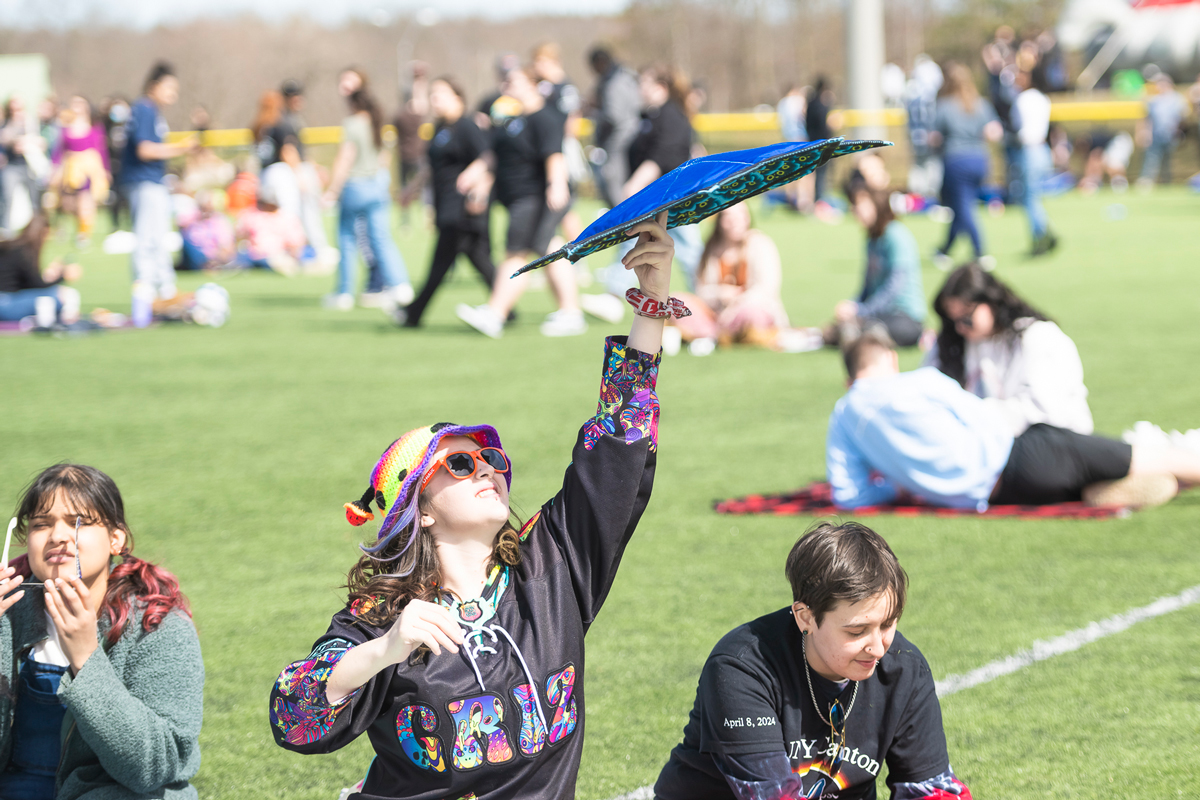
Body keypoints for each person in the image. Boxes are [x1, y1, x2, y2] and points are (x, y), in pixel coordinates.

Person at [269, 213, 674, 799]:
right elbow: (294, 719)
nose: (486, 466)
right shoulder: (382, 618)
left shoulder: (550, 566)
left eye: (493, 460)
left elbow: (616, 447)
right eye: (459, 464)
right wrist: (384, 651)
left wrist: (650, 302)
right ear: (420, 509)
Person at [655, 521, 973, 800]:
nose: (878, 648)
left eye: (888, 624)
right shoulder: (742, 669)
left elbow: (933, 790)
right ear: (805, 616)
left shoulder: (905, 669)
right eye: (857, 631)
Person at [0, 463, 203, 799]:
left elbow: (155, 767)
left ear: (115, 539)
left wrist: (85, 657)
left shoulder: (158, 626)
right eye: (41, 524)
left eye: (78, 522)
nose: (58, 536)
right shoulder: (8, 611)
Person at [827, 330, 1200, 511]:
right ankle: (1146, 469)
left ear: (849, 380)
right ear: (890, 361)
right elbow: (986, 420)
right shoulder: (922, 381)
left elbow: (849, 495)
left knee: (1089, 476)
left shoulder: (843, 416)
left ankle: (1105, 488)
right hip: (1023, 457)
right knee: (1155, 456)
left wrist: (898, 487)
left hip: (999, 495)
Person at [454, 66, 585, 338]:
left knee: (516, 252)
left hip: (535, 197)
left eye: (513, 80)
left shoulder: (544, 118)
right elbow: (494, 156)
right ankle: (570, 312)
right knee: (548, 250)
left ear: (533, 85)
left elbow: (554, 155)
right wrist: (475, 177)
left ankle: (495, 313)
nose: (506, 85)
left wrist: (556, 185)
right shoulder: (513, 119)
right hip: (517, 198)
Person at [928, 262, 1092, 436]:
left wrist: (969, 413)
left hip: (1051, 447)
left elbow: (1042, 410)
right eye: (953, 320)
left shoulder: (1037, 336)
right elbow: (927, 392)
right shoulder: (952, 342)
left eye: (966, 317)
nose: (960, 327)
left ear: (991, 300)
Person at [398, 77, 496, 328]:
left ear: (458, 98)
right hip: (445, 204)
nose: (435, 99)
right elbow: (430, 167)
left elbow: (488, 159)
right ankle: (505, 307)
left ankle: (413, 313)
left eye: (441, 93)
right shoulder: (439, 129)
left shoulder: (467, 126)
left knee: (442, 263)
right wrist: (411, 189)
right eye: (433, 94)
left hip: (463, 208)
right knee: (478, 259)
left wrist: (478, 188)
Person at [322, 84, 412, 312]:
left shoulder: (353, 124)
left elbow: (346, 157)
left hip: (355, 185)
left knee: (346, 239)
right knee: (381, 239)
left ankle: (344, 292)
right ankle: (400, 284)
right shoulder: (377, 122)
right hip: (376, 185)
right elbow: (384, 157)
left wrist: (333, 189)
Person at [120, 62, 198, 310]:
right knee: (147, 238)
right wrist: (180, 148)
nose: (173, 94)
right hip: (144, 181)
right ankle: (146, 292)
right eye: (169, 87)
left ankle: (165, 289)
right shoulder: (144, 108)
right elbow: (144, 149)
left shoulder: (150, 110)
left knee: (158, 237)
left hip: (151, 181)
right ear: (154, 86)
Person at [673, 203, 788, 353]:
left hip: (747, 308)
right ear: (720, 221)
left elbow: (766, 289)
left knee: (752, 313)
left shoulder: (760, 244)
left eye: (740, 216)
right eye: (729, 218)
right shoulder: (711, 248)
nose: (735, 222)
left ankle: (713, 335)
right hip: (716, 312)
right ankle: (715, 335)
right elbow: (701, 290)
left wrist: (735, 304)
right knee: (675, 302)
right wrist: (720, 294)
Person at [822, 184, 925, 348]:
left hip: (904, 317)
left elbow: (893, 288)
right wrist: (852, 306)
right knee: (834, 332)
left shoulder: (895, 235)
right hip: (878, 314)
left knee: (866, 332)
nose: (855, 210)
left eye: (860, 205)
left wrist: (860, 311)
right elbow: (867, 287)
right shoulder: (872, 240)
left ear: (877, 205)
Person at [930, 63, 1001, 269]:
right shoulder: (981, 104)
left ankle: (981, 251)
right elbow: (994, 132)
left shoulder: (945, 106)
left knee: (964, 208)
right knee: (960, 206)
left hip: (956, 160)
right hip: (979, 159)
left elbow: (934, 137)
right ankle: (944, 249)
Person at [49, 96, 110, 247]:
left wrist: (105, 169)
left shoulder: (94, 127)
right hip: (70, 169)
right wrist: (54, 167)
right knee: (67, 203)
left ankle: (84, 234)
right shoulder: (65, 127)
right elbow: (60, 150)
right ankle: (67, 227)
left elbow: (101, 150)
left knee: (85, 201)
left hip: (87, 168)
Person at [587, 46, 642, 208]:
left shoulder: (613, 82)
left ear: (600, 62)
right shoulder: (629, 76)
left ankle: (627, 228)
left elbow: (613, 116)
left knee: (615, 188)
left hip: (618, 142)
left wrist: (594, 114)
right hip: (633, 138)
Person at [0, 214, 81, 323]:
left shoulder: (13, 247)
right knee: (62, 296)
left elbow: (24, 281)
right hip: (7, 304)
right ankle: (68, 323)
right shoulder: (25, 253)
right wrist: (62, 276)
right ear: (43, 233)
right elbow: (35, 285)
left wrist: (50, 276)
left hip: (8, 300)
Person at [1012, 63, 1056, 257]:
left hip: (1029, 150)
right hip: (1042, 149)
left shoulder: (1023, 99)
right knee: (1034, 196)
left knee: (1029, 197)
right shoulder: (1042, 98)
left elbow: (1018, 127)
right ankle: (1043, 233)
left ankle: (1042, 235)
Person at [393, 63, 430, 225]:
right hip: (417, 155)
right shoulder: (416, 115)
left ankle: (405, 221)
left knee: (404, 189)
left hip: (403, 156)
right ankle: (426, 217)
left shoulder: (397, 116)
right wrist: (420, 80)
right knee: (423, 188)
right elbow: (421, 103)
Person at [1136, 73, 1187, 190]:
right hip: (1155, 135)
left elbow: (1183, 118)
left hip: (1171, 135)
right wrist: (1144, 132)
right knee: (1151, 159)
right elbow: (1146, 119)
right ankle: (1147, 181)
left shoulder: (1177, 99)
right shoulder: (1153, 100)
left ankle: (1167, 182)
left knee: (1168, 160)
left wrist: (1180, 132)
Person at [250, 90, 287, 170]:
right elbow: (286, 151)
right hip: (278, 169)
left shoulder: (257, 126)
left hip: (263, 170)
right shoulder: (279, 125)